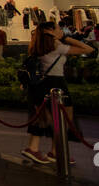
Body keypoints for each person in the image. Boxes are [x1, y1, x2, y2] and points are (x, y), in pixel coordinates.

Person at [22, 24, 93, 165]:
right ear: (50, 32)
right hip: (57, 83)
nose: (61, 30)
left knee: (47, 117)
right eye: (57, 29)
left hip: (42, 85)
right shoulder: (56, 46)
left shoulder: (37, 45)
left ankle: (38, 148)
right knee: (64, 119)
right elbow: (88, 49)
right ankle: (55, 152)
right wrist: (66, 38)